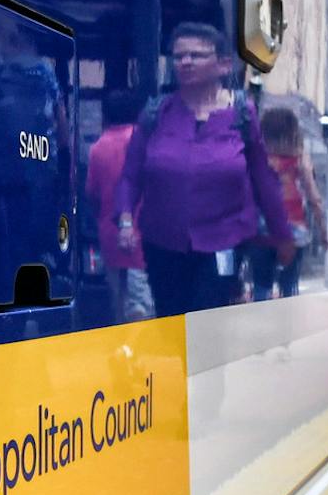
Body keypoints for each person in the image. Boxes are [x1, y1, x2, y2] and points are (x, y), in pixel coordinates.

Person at [116, 21, 289, 313]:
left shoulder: (242, 115)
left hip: (223, 240)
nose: (185, 62)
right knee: (171, 323)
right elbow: (130, 176)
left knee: (207, 319)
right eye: (178, 56)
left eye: (196, 55)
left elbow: (263, 179)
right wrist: (124, 221)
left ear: (222, 64)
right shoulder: (156, 113)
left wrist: (281, 235)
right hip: (163, 243)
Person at [86, 89, 152, 318]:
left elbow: (92, 194)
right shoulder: (144, 141)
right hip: (143, 232)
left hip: (110, 233)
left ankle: (125, 347)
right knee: (142, 299)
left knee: (119, 300)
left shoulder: (97, 148)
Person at [247, 107, 324, 299]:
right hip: (294, 231)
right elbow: (314, 198)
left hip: (261, 228)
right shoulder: (300, 161)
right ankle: (288, 323)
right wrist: (324, 232)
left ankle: (260, 321)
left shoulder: (258, 158)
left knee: (261, 286)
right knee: (289, 286)